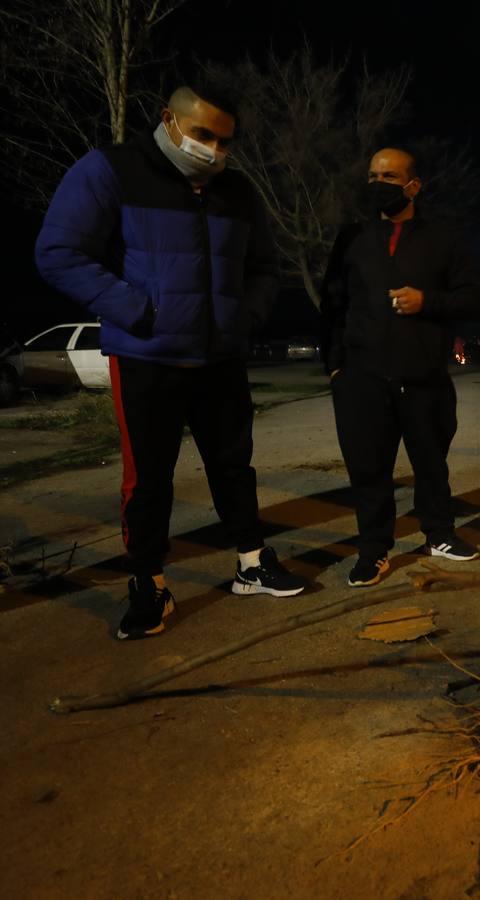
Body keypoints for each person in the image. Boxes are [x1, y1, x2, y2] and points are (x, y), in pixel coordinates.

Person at [34, 84, 307, 640]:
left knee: (234, 465)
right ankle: (147, 582)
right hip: (146, 355)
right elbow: (58, 253)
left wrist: (244, 319)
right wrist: (138, 310)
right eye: (203, 134)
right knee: (148, 478)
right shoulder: (112, 169)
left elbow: (264, 268)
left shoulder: (237, 190)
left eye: (225, 141)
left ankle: (251, 564)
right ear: (170, 120)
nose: (214, 149)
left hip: (220, 356)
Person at [320, 148, 480, 587]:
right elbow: (332, 304)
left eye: (389, 176)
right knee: (368, 467)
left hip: (423, 375)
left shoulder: (442, 238)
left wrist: (427, 301)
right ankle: (373, 549)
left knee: (431, 462)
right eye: (373, 175)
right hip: (362, 377)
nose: (377, 183)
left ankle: (439, 534)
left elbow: (472, 298)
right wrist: (335, 367)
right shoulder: (352, 237)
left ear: (413, 185)